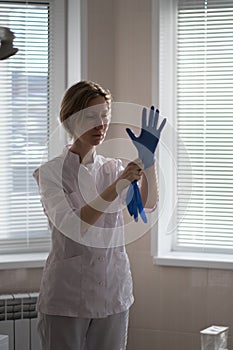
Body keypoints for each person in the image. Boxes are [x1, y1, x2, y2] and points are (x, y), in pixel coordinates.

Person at [33, 80, 166, 350]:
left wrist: (149, 162)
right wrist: (117, 186)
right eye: (91, 116)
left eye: (104, 115)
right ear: (70, 120)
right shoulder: (50, 173)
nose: (100, 124)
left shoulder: (111, 167)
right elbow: (73, 224)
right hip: (67, 296)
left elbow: (147, 203)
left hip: (113, 290)